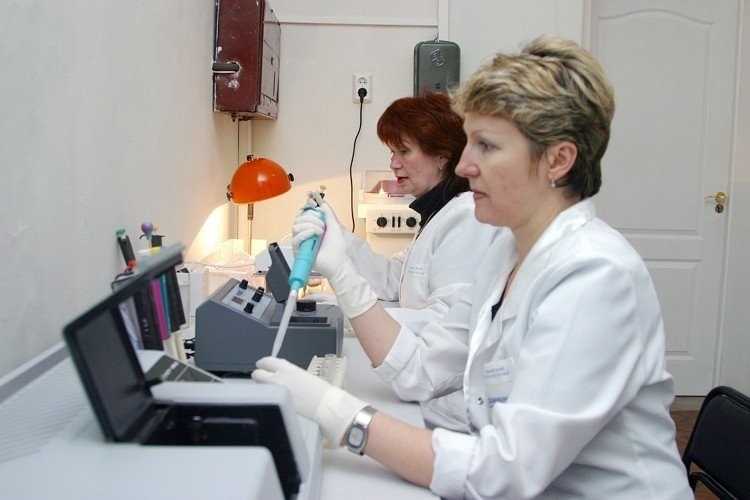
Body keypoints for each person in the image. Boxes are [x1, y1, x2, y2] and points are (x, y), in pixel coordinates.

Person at [254, 34, 692, 498]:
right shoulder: (506, 256)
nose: (463, 166)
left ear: (558, 160)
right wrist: (343, 273)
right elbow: (420, 371)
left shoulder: (595, 275)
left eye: (486, 146)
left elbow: (505, 472)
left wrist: (341, 415)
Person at [296, 92, 502, 431]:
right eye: (392, 152)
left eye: (403, 151)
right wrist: (338, 236)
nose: (393, 163)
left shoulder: (466, 217)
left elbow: (441, 320)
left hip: (445, 405)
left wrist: (350, 314)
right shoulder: (437, 214)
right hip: (422, 391)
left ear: (443, 157)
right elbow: (395, 280)